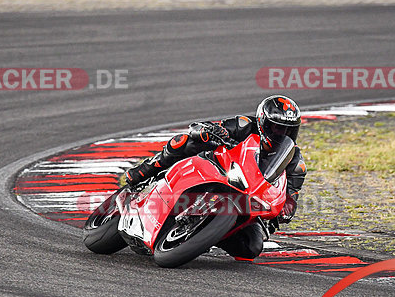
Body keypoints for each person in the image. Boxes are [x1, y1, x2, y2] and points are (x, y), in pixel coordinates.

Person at [123, 95, 306, 259]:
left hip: (250, 198)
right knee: (185, 142)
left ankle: (207, 235)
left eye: (288, 130)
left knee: (252, 248)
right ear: (262, 122)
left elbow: (291, 195)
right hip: (219, 169)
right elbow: (209, 127)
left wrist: (286, 209)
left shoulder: (295, 161)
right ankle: (146, 170)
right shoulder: (245, 125)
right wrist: (211, 132)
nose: (281, 134)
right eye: (276, 128)